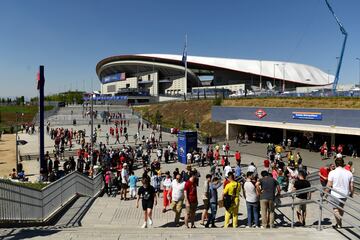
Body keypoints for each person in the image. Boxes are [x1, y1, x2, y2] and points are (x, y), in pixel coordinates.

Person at [326, 158, 354, 228]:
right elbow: (352, 185)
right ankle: (339, 223)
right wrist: (351, 193)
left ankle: (339, 224)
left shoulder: (332, 172)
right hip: (344, 194)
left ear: (335, 164)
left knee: (335, 209)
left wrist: (325, 193)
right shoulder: (349, 173)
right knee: (341, 208)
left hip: (335, 194)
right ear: (343, 164)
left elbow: (329, 185)